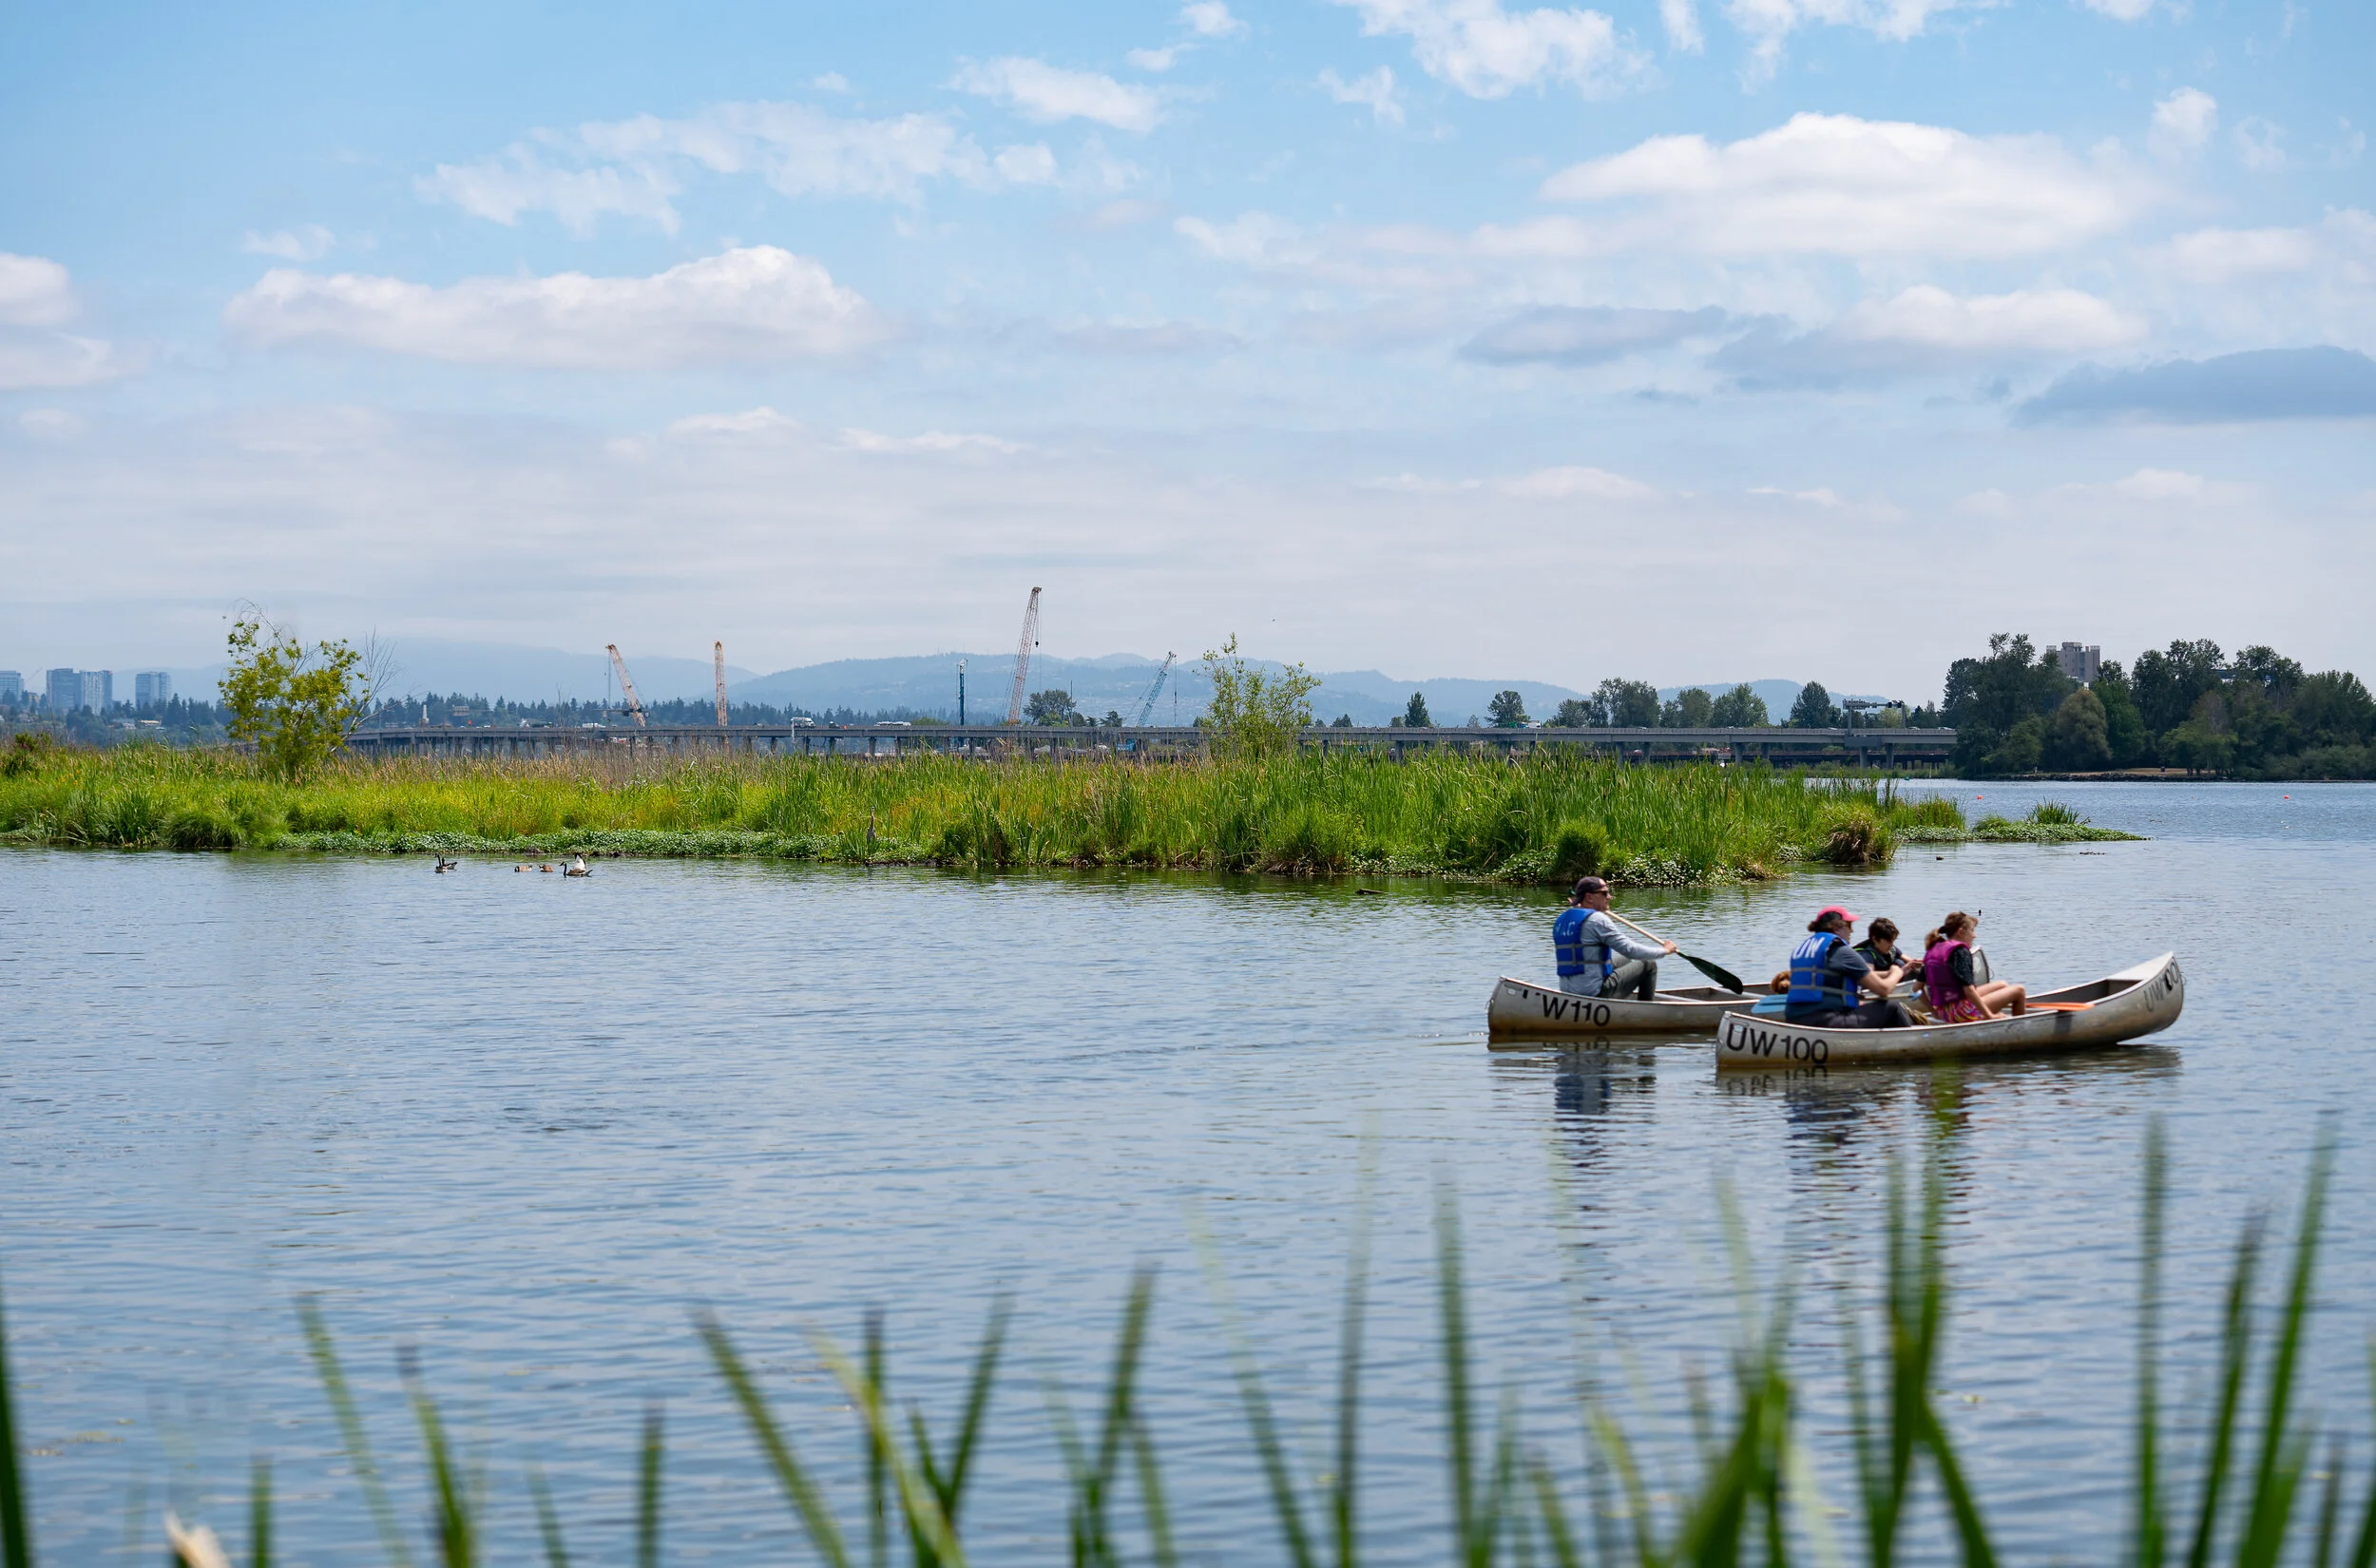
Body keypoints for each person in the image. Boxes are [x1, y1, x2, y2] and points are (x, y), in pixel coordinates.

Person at [1783, 906, 1915, 1028]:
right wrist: (1897, 973)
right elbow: (1884, 989)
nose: (1852, 930)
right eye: (1849, 925)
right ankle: (1912, 1043)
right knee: (1892, 1007)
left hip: (1794, 1018)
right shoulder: (1842, 952)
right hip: (1825, 1021)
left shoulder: (1802, 949)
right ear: (1836, 928)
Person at [1553, 876, 1677, 1001]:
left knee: (1625, 960)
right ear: (1589, 897)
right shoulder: (1597, 920)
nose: (1609, 897)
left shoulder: (1562, 919)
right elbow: (1630, 950)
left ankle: (1623, 1000)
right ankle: (1646, 1010)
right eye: (1604, 893)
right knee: (1648, 964)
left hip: (1568, 992)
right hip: (1594, 993)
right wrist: (1664, 950)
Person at [1922, 911, 2026, 1022]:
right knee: (2019, 990)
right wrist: (1990, 1015)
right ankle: (2017, 1028)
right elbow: (1969, 990)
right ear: (1960, 932)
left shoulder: (1936, 950)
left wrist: (1934, 1013)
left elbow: (1916, 989)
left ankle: (1987, 1019)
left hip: (1944, 1012)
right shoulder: (1961, 951)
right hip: (1961, 1013)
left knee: (2002, 985)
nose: (1974, 935)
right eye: (1972, 931)